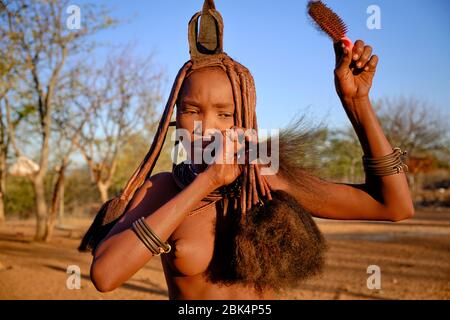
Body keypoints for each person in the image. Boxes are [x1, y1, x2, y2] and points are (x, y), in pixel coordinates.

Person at [80, 0, 414, 300]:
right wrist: (205, 183)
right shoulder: (165, 189)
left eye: (224, 114)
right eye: (192, 110)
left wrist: (357, 103)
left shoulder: (267, 179)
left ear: (245, 121)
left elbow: (394, 207)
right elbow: (105, 276)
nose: (207, 128)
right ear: (174, 117)